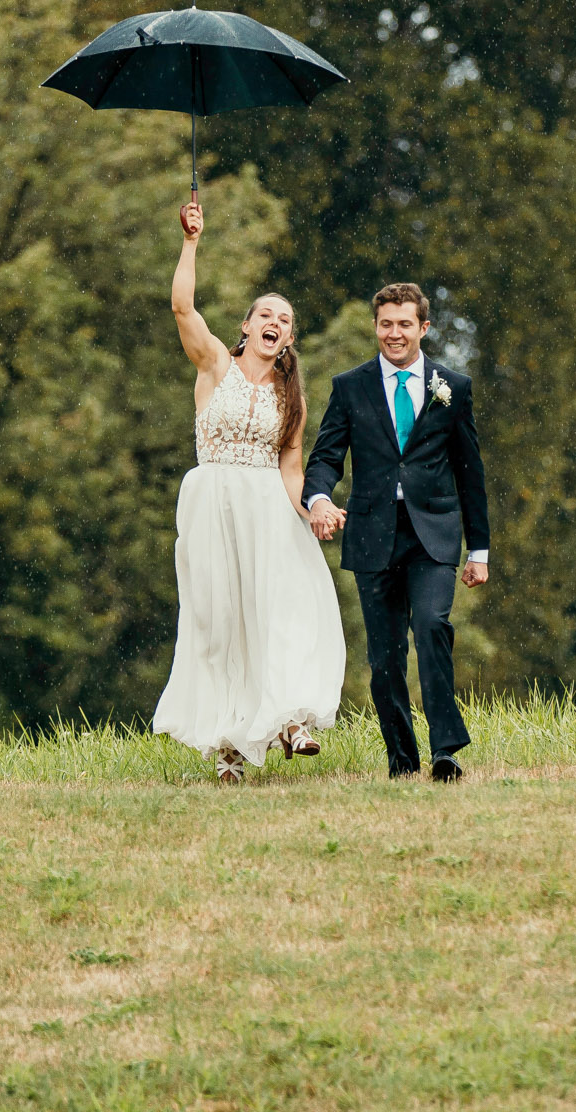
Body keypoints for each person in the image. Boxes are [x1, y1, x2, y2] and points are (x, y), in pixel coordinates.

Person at [152, 200, 346, 785]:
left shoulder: (293, 397)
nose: (275, 324)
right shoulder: (214, 364)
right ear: (246, 326)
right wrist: (191, 241)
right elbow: (182, 306)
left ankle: (291, 721)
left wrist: (313, 505)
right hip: (212, 503)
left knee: (282, 609)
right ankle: (228, 747)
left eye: (285, 320)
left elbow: (291, 467)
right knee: (219, 622)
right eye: (266, 315)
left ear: (289, 338)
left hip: (268, 510)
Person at [302, 283, 489, 781]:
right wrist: (318, 498)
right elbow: (324, 457)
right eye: (386, 323)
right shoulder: (350, 387)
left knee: (431, 627)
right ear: (376, 327)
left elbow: (470, 472)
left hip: (435, 534)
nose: (395, 333)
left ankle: (445, 750)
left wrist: (480, 550)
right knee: (384, 658)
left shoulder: (454, 386)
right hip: (372, 532)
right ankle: (402, 761)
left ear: (423, 328)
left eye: (405, 324)